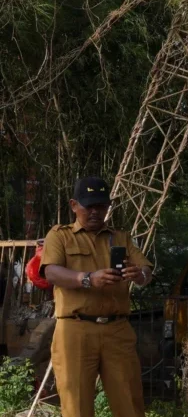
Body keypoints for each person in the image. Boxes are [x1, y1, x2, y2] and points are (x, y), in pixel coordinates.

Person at [41, 176, 153, 417]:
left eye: (101, 206)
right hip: (75, 329)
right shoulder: (60, 236)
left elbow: (146, 271)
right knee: (76, 406)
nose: (95, 212)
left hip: (117, 330)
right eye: (88, 206)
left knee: (130, 403)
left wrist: (139, 275)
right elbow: (51, 271)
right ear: (73, 205)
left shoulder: (121, 238)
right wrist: (88, 279)